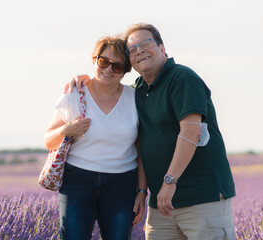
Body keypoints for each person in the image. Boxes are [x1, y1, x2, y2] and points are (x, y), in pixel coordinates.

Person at [67, 23, 236, 240]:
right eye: (132, 49)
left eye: (145, 44)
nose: (139, 51)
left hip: (201, 199)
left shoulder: (182, 78)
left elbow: (191, 132)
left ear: (162, 48)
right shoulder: (139, 90)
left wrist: (169, 182)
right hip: (162, 205)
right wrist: (87, 80)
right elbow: (140, 143)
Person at [44, 35, 147, 240]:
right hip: (77, 180)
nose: (109, 69)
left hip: (122, 183)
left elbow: (140, 150)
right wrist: (66, 131)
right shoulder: (74, 94)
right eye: (104, 61)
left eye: (117, 66)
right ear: (94, 60)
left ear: (125, 71)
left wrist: (141, 191)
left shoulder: (134, 98)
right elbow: (49, 140)